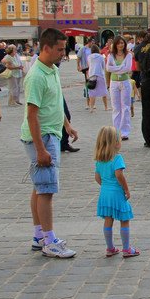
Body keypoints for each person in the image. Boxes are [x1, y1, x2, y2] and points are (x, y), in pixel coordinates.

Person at [21, 28, 79, 258]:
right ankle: (49, 241)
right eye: (59, 49)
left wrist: (67, 125)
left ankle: (39, 235)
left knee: (39, 187)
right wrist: (40, 149)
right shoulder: (36, 76)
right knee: (47, 191)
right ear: (45, 48)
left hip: (52, 132)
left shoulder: (51, 69)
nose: (63, 54)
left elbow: (55, 101)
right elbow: (31, 115)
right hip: (42, 136)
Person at [94, 126, 139, 258]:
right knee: (124, 219)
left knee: (108, 219)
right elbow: (119, 175)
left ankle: (110, 248)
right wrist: (126, 188)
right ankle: (126, 249)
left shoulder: (99, 160)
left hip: (105, 193)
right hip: (116, 193)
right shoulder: (117, 158)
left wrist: (106, 186)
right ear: (115, 143)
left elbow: (97, 178)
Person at [106, 36, 132, 140]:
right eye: (119, 43)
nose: (121, 45)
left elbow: (127, 68)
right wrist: (120, 68)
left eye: (122, 43)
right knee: (116, 108)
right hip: (114, 83)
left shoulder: (128, 55)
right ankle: (116, 131)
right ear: (115, 45)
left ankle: (124, 132)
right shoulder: (111, 56)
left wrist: (115, 69)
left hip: (125, 82)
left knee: (125, 107)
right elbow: (108, 68)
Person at [86, 45, 110, 112]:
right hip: (100, 75)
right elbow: (103, 66)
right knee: (104, 91)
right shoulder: (101, 57)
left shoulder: (89, 57)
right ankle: (106, 107)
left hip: (91, 75)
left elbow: (89, 65)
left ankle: (91, 108)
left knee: (92, 92)